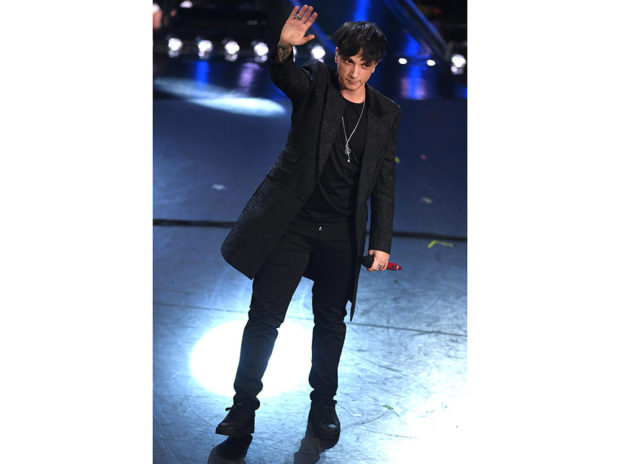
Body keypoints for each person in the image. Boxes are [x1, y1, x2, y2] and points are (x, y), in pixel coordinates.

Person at [216, 4, 401, 441]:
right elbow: (285, 75)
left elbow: (384, 179)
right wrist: (284, 47)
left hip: (342, 231)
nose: (353, 73)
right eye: (348, 60)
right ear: (336, 56)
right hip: (292, 225)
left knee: (331, 323)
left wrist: (381, 240)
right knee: (264, 318)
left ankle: (323, 406)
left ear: (375, 66)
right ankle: (243, 407)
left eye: (364, 65)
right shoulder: (317, 82)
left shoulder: (385, 113)